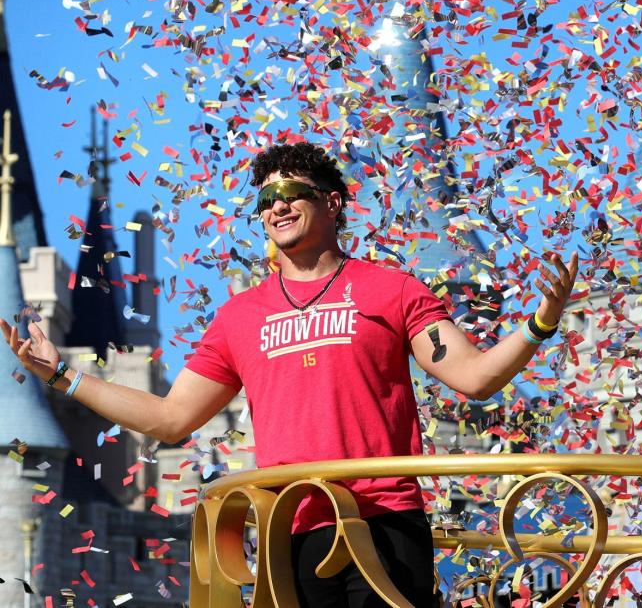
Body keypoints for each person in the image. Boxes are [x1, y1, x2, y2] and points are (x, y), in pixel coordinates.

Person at [1, 142, 579, 608]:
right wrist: (62, 379)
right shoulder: (239, 317)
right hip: (291, 528)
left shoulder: (391, 290)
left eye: (291, 193)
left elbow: (474, 378)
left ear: (332, 204)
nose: (275, 207)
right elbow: (171, 418)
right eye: (265, 200)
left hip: (384, 521)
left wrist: (539, 323)